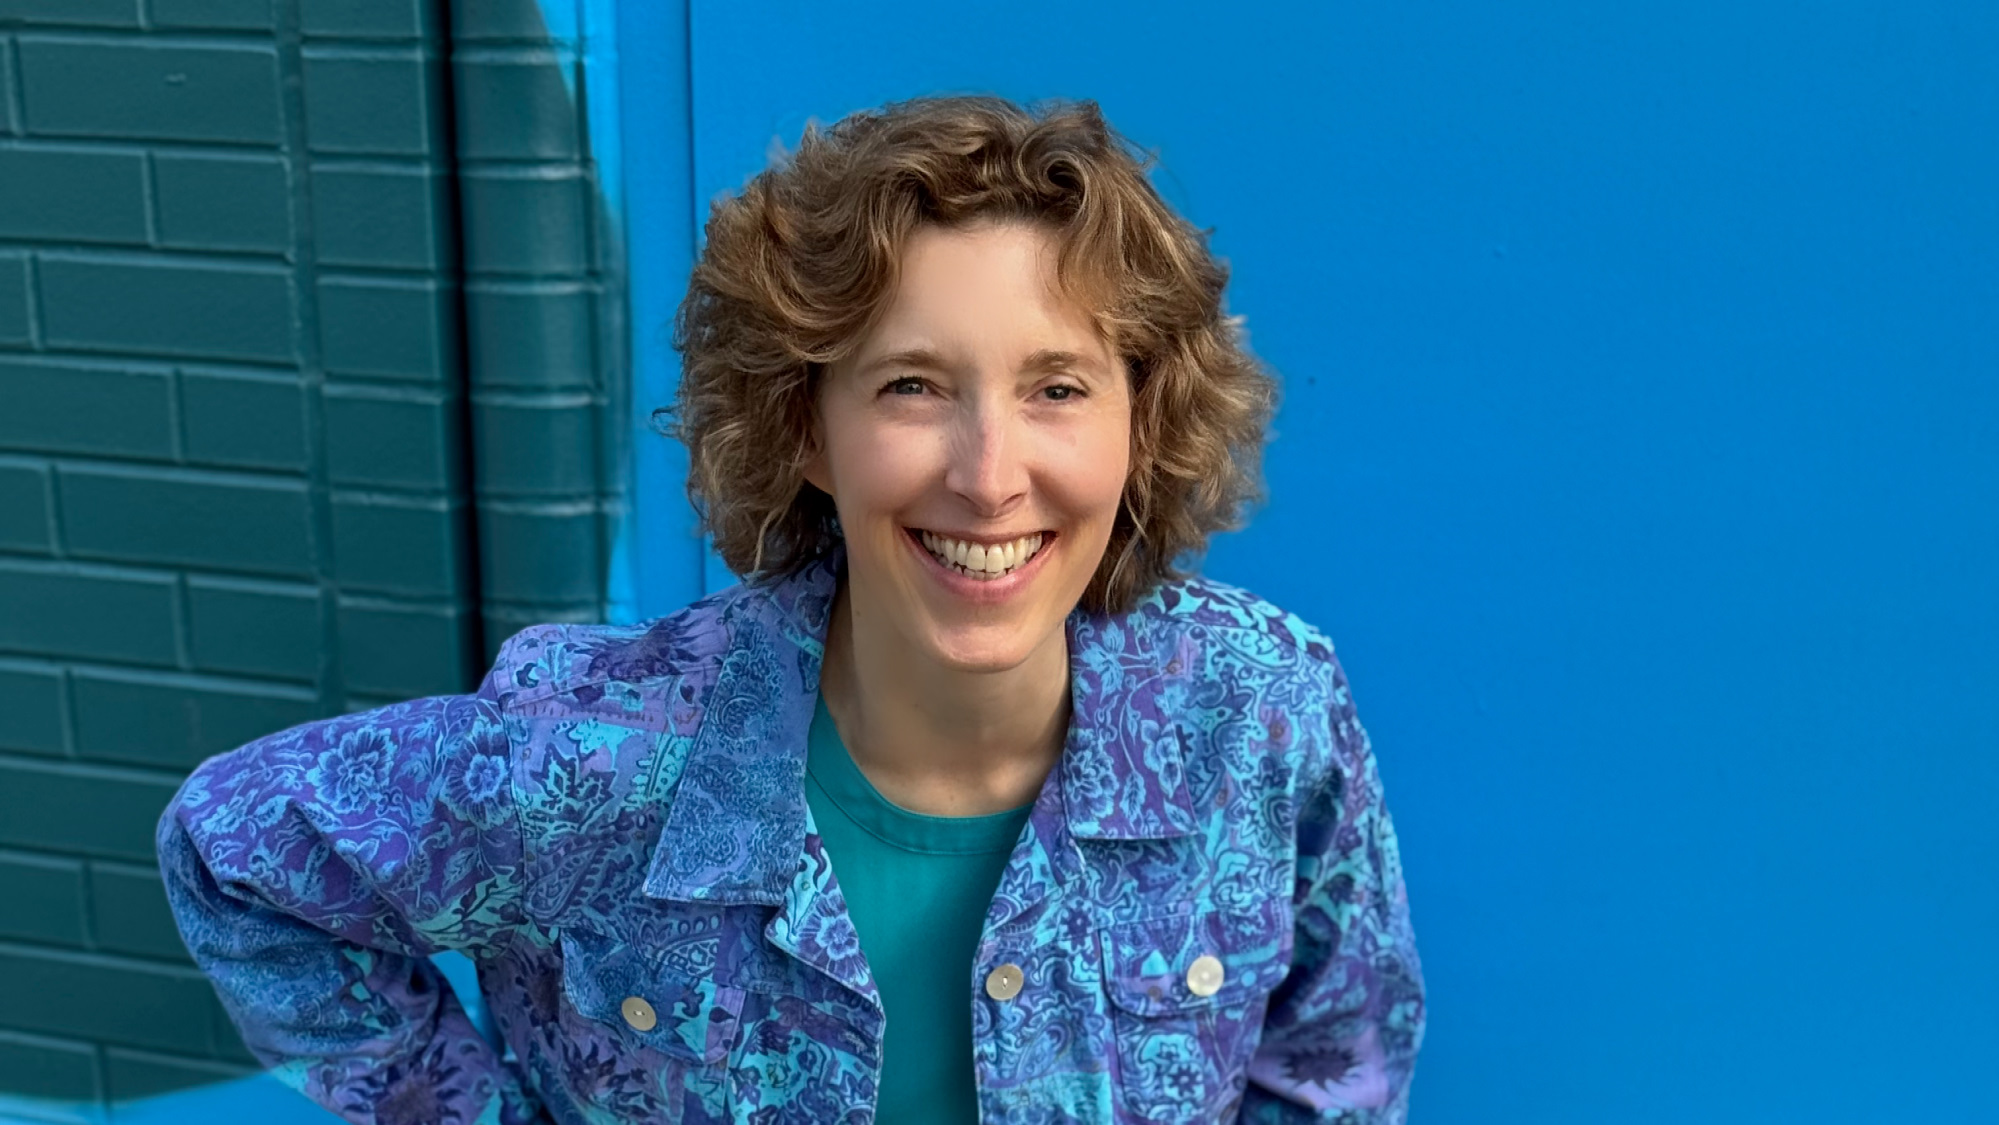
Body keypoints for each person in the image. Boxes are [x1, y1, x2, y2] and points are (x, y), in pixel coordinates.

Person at [157, 94, 1425, 1125]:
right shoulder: (591, 762)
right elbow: (233, 854)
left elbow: (1336, 1064)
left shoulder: (1261, 710)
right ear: (806, 428)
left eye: (1056, 388)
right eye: (914, 387)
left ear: (1138, 422)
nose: (988, 476)